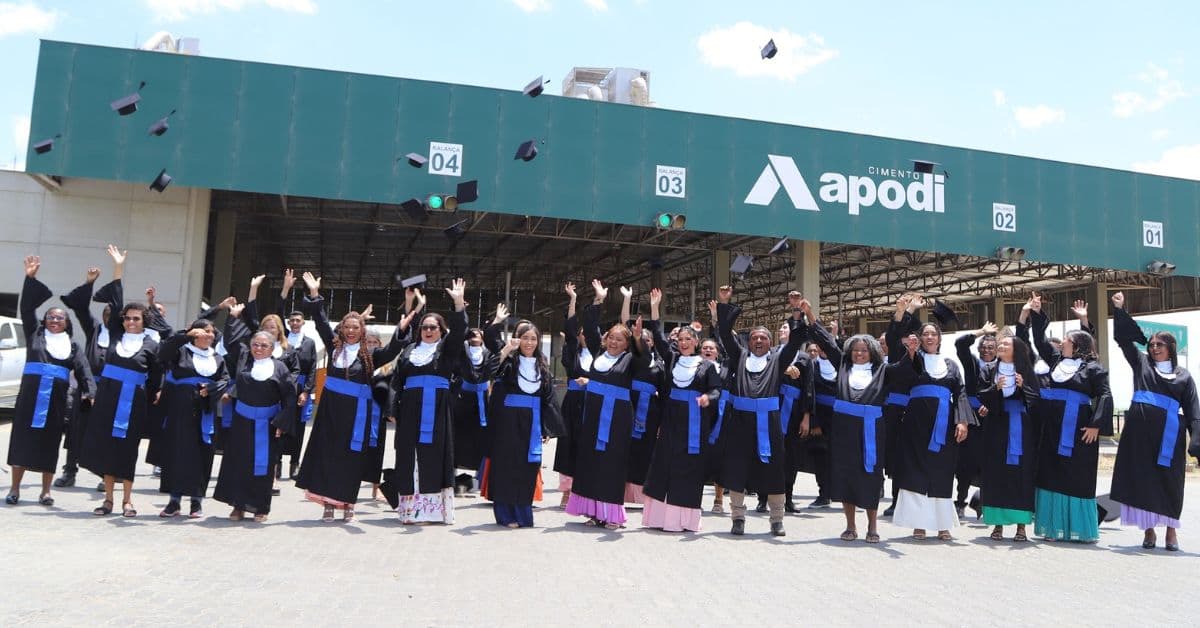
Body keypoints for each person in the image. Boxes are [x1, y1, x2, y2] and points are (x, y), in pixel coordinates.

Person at [294, 272, 411, 523]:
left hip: (356, 414)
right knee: (327, 455)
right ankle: (327, 502)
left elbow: (392, 351)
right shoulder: (335, 347)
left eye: (355, 327)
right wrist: (315, 295)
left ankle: (347, 503)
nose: (350, 330)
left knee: (351, 458)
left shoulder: (370, 355)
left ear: (362, 330)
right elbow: (321, 322)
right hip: (330, 411)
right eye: (347, 326)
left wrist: (401, 330)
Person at [803, 297, 914, 543]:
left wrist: (909, 345)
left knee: (870, 475)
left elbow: (904, 365)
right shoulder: (843, 365)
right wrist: (810, 313)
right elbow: (825, 340)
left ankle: (872, 526)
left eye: (864, 350)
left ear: (872, 352)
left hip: (871, 430)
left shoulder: (882, 370)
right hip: (844, 430)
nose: (859, 353)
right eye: (855, 350)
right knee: (846, 475)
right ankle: (850, 526)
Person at [712, 285, 806, 536]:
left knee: (774, 468)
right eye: (754, 337)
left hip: (769, 422)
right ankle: (738, 518)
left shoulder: (778, 360)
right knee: (737, 468)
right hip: (740, 421)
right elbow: (724, 333)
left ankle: (777, 519)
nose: (759, 341)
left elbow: (796, 341)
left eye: (763, 337)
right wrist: (724, 303)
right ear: (749, 341)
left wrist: (796, 310)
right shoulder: (740, 357)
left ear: (770, 342)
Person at [1109, 291, 1200, 551]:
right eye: (1152, 345)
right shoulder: (1141, 364)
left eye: (1160, 345)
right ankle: (1149, 531)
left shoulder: (1184, 376)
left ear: (1170, 348)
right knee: (1143, 480)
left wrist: (1196, 441)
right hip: (1139, 434)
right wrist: (1120, 309)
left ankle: (1171, 531)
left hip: (1169, 436)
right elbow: (1125, 341)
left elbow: (1193, 409)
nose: (1154, 348)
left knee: (1170, 481)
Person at [79, 246, 166, 518]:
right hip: (108, 398)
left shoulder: (151, 342)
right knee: (107, 446)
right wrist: (118, 267)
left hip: (134, 401)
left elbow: (156, 374)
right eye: (127, 318)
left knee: (127, 449)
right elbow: (116, 300)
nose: (130, 321)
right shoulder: (115, 336)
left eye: (135, 318)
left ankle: (128, 500)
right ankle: (108, 500)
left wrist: (156, 392)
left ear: (144, 321)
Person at [1019, 294, 1111, 543]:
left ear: (1077, 346)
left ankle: (1078, 529)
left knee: (1075, 476)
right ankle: (1051, 527)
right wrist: (1036, 312)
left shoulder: (1092, 368)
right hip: (1051, 428)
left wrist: (1096, 425)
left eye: (1067, 341)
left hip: (1079, 429)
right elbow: (1039, 339)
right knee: (1049, 472)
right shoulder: (1055, 360)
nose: (1062, 344)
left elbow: (1104, 394)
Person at [6, 256, 94, 507]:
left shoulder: (73, 346)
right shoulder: (35, 334)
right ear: (44, 321)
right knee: (22, 441)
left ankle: (45, 491)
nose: (55, 320)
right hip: (30, 397)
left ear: (67, 323)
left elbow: (83, 369)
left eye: (60, 318)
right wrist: (30, 278)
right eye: (51, 317)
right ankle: (15, 489)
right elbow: (26, 309)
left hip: (56, 399)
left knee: (49, 444)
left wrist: (91, 391)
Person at [565, 279, 650, 530]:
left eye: (619, 340)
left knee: (612, 463)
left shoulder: (629, 360)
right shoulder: (598, 355)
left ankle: (611, 514)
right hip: (592, 415)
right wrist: (599, 299)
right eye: (611, 338)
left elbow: (643, 358)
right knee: (590, 460)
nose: (614, 342)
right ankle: (593, 511)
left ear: (626, 345)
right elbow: (590, 327)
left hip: (617, 419)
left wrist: (637, 339)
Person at [891, 294, 975, 541]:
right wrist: (904, 311)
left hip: (944, 424)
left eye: (933, 334)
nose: (929, 337)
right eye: (925, 334)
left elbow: (960, 393)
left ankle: (942, 524)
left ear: (939, 339)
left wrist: (962, 421)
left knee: (942, 472)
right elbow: (896, 339)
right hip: (916, 424)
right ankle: (918, 524)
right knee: (915, 472)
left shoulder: (951, 365)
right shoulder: (913, 360)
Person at [640, 288, 723, 532]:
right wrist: (655, 307)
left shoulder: (707, 366)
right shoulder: (673, 359)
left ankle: (684, 520)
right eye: (681, 340)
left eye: (689, 339)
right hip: (671, 421)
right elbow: (657, 333)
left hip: (695, 423)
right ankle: (659, 518)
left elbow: (716, 390)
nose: (684, 343)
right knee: (664, 464)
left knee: (689, 468)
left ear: (697, 342)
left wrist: (708, 397)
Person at [389, 279, 467, 524]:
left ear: (441, 330)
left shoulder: (446, 351)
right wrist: (392, 408)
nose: (429, 330)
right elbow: (396, 381)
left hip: (437, 412)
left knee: (434, 457)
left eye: (433, 327)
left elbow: (459, 332)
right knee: (408, 456)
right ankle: (410, 511)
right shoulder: (410, 351)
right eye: (424, 327)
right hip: (410, 411)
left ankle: (432, 512)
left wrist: (457, 303)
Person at [214, 325, 298, 522]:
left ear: (272, 348)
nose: (259, 348)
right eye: (255, 345)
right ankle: (238, 506)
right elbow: (230, 341)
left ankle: (261, 508)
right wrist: (233, 318)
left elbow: (289, 397)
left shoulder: (280, 368)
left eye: (264, 345)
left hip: (267, 425)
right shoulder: (244, 361)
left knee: (263, 466)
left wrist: (281, 423)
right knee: (239, 463)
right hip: (242, 422)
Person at [484, 320, 563, 527]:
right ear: (518, 340)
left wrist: (547, 427)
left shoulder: (542, 365)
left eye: (533, 339)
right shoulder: (509, 362)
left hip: (532, 422)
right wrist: (507, 349)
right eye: (525, 338)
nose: (529, 343)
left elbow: (549, 398)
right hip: (507, 422)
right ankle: (505, 515)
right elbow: (488, 372)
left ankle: (523, 515)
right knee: (506, 467)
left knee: (527, 468)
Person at [156, 319, 230, 518]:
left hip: (206, 410)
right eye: (204, 331)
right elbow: (163, 352)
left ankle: (196, 501)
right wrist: (186, 333)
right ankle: (174, 501)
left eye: (212, 332)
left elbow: (225, 379)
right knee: (178, 452)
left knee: (202, 453)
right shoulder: (181, 351)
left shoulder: (217, 358)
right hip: (181, 409)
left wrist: (212, 389)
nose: (209, 335)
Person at [976, 334, 1040, 542]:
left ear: (1016, 349)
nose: (1001, 345)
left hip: (1021, 427)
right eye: (1000, 343)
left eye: (1005, 344)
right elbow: (981, 394)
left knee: (1020, 473)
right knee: (997, 472)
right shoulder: (989, 369)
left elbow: (1036, 399)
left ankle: (1021, 526)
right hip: (996, 425)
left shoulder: (1026, 370)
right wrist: (995, 389)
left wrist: (1023, 388)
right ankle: (997, 525)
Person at [56, 266, 109, 489]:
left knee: (103, 431)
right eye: (105, 313)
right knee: (76, 429)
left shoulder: (124, 336)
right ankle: (70, 471)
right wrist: (89, 283)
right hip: (88, 386)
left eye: (112, 314)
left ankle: (102, 474)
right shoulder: (95, 329)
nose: (108, 317)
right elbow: (80, 308)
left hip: (108, 390)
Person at [621, 286, 663, 506]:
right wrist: (628, 299)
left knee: (646, 451)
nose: (644, 341)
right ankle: (623, 493)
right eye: (640, 339)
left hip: (652, 410)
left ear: (653, 342)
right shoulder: (634, 357)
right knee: (626, 448)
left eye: (648, 339)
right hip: (630, 404)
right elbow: (626, 326)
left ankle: (643, 495)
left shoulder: (661, 362)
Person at [278, 269, 318, 478]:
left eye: (298, 320)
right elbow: (278, 310)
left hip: (301, 389)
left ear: (303, 323)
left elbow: (313, 368)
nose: (294, 323)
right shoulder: (282, 338)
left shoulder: (309, 342)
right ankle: (276, 464)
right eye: (291, 320)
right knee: (279, 423)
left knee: (299, 428)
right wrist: (286, 288)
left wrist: (307, 392)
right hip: (282, 388)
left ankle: (295, 464)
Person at [555, 282, 591, 508]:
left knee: (588, 445)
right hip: (573, 402)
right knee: (568, 444)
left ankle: (585, 489)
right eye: (582, 331)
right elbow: (569, 330)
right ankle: (567, 491)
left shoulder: (601, 356)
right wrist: (573, 300)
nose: (585, 334)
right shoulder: (572, 354)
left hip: (592, 403)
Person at [954, 326, 996, 519]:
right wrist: (981, 331)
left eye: (991, 347)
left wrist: (991, 406)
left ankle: (984, 503)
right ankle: (960, 502)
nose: (987, 350)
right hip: (971, 419)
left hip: (994, 421)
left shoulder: (1004, 366)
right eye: (984, 347)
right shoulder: (972, 363)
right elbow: (960, 343)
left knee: (990, 465)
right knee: (966, 464)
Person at [699, 336, 729, 514]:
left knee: (719, 458)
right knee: (698, 457)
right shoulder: (694, 366)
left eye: (711, 348)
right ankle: (695, 498)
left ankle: (719, 499)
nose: (708, 350)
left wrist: (716, 321)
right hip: (700, 413)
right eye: (704, 348)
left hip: (721, 416)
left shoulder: (724, 367)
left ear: (718, 353)